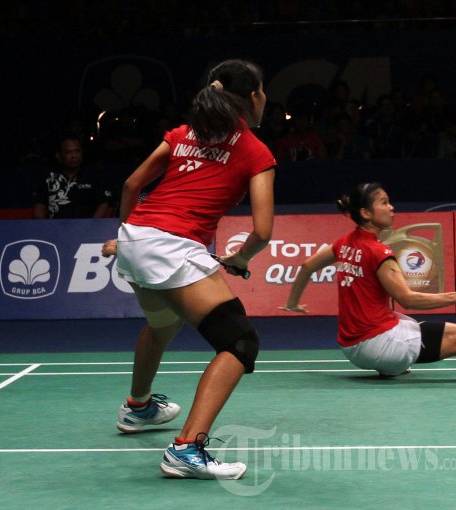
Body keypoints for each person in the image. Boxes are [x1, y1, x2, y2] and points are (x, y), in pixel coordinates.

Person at [101, 59, 276, 480]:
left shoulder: (183, 134)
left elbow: (131, 185)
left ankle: (138, 407)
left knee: (162, 325)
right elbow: (262, 231)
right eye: (263, 90)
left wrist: (128, 236)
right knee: (240, 342)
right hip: (172, 246)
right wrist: (239, 260)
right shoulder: (255, 151)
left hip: (137, 236)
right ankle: (186, 448)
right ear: (254, 96)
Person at [281, 182, 456, 390]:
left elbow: (306, 266)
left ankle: (392, 366)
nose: (392, 207)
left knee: (405, 322)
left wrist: (292, 303)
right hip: (379, 345)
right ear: (366, 213)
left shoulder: (343, 244)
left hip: (351, 347)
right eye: (384, 202)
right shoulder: (378, 252)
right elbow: (407, 298)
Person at [32, 134, 113, 218]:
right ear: (58, 155)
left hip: (86, 225)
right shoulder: (48, 178)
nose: (74, 156)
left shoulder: (93, 176)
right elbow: (39, 205)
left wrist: (92, 224)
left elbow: (104, 203)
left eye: (77, 151)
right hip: (55, 225)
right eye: (68, 152)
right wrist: (43, 225)